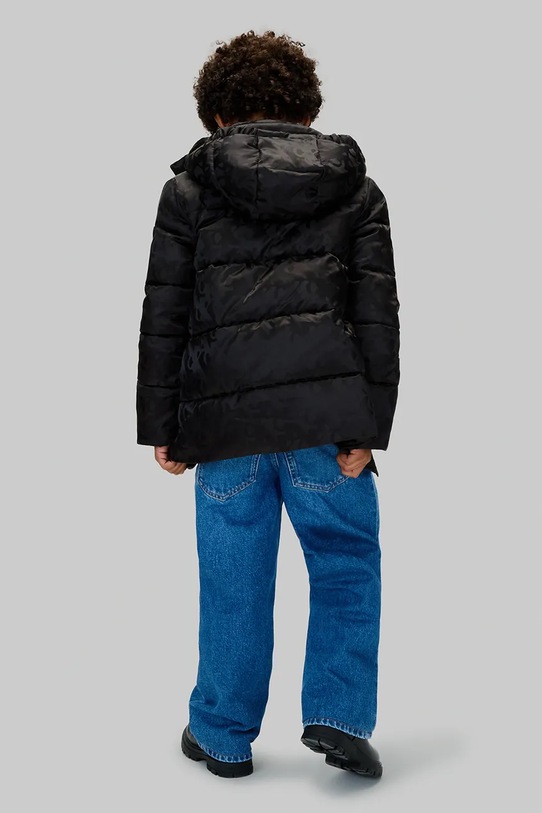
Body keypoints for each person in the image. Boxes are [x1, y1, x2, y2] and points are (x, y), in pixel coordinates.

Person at [136, 30, 400, 780]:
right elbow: (378, 318)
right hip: (329, 426)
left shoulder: (188, 192)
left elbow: (165, 314)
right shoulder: (357, 190)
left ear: (218, 115)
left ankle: (222, 735)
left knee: (233, 582)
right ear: (306, 112)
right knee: (347, 564)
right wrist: (372, 428)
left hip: (224, 431)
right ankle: (339, 717)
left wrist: (163, 426)